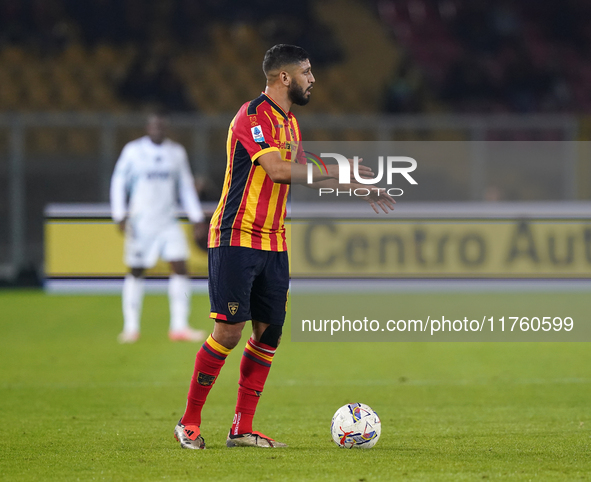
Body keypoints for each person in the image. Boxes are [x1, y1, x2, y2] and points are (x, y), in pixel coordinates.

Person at [174, 44, 395, 449]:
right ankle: (188, 422)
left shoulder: (290, 125)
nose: (314, 79)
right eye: (307, 72)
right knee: (228, 330)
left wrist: (351, 183)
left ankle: (242, 428)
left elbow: (295, 170)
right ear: (285, 78)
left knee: (269, 333)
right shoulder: (252, 115)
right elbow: (277, 171)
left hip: (274, 240)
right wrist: (341, 172)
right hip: (236, 234)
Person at [110, 111, 208, 344]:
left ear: (166, 127)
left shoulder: (176, 153)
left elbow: (185, 186)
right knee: (136, 270)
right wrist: (119, 214)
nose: (157, 129)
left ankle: (179, 326)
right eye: (154, 125)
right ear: (147, 127)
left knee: (181, 267)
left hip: (168, 221)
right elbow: (118, 181)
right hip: (140, 222)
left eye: (161, 125)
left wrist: (196, 217)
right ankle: (131, 327)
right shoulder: (133, 151)